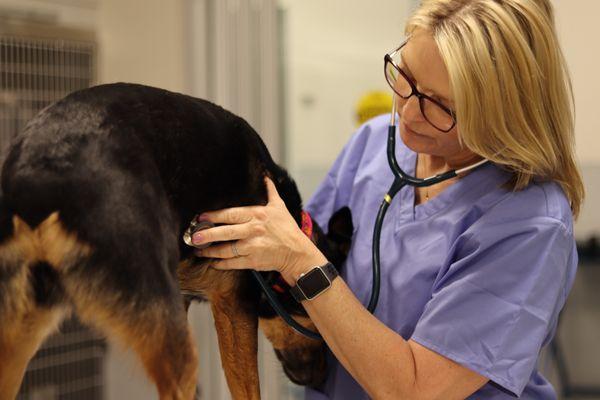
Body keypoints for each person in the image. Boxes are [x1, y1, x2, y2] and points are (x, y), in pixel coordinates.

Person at [190, 0, 585, 398]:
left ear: (503, 113)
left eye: (440, 105)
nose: (409, 113)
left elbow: (414, 390)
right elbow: (306, 272)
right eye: (406, 77)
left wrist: (299, 260)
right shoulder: (375, 142)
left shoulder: (529, 222)